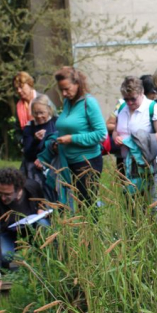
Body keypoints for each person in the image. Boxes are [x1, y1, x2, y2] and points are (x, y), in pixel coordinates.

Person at [36, 66, 107, 211]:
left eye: (67, 89)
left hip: (87, 163)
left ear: (77, 84)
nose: (64, 93)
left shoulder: (89, 103)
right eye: (61, 89)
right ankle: (78, 233)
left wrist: (72, 139)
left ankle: (92, 233)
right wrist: (56, 142)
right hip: (68, 162)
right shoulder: (68, 102)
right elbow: (65, 128)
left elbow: (101, 134)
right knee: (72, 206)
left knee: (87, 207)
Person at [0, 168, 50, 293]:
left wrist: (41, 209)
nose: (3, 198)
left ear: (19, 189)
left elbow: (41, 201)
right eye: (0, 193)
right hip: (6, 233)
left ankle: (45, 269)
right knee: (4, 254)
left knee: (45, 226)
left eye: (7, 194)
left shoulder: (32, 187)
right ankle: (9, 281)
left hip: (30, 228)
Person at [113, 76, 157, 195]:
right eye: (126, 99)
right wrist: (116, 137)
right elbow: (116, 130)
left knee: (151, 203)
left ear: (142, 92)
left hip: (148, 163)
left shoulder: (153, 107)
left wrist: (134, 140)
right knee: (130, 204)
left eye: (133, 99)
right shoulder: (122, 107)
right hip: (125, 162)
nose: (129, 102)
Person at [21, 94, 57, 186]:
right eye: (35, 113)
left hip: (54, 166)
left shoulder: (57, 122)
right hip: (33, 170)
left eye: (42, 112)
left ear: (49, 110)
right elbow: (28, 154)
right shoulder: (29, 127)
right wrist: (35, 140)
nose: (39, 116)